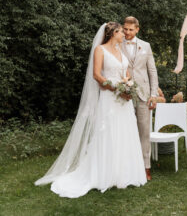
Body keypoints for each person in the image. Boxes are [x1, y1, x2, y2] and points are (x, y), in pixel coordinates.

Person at [35, 22, 147, 198]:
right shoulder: (100, 50)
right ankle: (103, 174)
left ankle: (124, 174)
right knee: (108, 134)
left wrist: (128, 86)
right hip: (109, 98)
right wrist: (116, 88)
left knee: (124, 133)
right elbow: (96, 75)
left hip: (123, 101)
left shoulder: (121, 50)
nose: (124, 34)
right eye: (120, 32)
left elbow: (125, 73)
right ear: (112, 34)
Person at [120, 17, 158, 181]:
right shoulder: (116, 43)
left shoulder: (146, 46)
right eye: (125, 29)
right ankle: (125, 166)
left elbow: (152, 71)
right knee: (123, 131)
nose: (127, 32)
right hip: (122, 94)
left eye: (130, 29)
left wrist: (154, 94)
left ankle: (145, 167)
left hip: (143, 94)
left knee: (144, 132)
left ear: (137, 29)